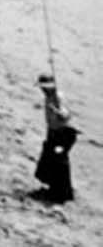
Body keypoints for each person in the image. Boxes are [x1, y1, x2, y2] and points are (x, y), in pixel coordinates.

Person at [35, 74, 77, 202]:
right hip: (54, 133)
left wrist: (59, 112)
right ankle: (52, 188)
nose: (42, 90)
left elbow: (66, 115)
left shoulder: (58, 97)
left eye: (44, 88)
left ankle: (61, 194)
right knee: (49, 158)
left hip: (64, 134)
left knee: (59, 161)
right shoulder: (48, 97)